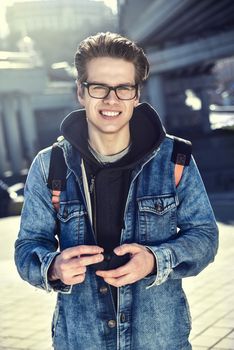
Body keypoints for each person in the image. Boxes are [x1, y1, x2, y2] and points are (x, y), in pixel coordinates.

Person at [15, 32, 218, 350]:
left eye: (124, 88)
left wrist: (154, 259)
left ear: (137, 95)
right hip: (82, 341)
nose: (112, 100)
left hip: (160, 340)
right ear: (81, 92)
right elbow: (27, 247)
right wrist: (54, 267)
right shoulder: (48, 165)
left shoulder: (174, 160)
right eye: (99, 87)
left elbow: (205, 237)